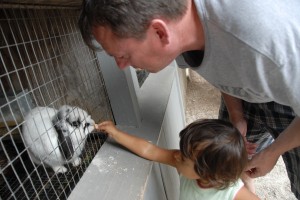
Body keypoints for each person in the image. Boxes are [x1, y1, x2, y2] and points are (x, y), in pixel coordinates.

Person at [78, 0, 300, 198]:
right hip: (253, 90)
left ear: (159, 32)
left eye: (123, 55)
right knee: (238, 157)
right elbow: (224, 66)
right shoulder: (182, 34)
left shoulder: (271, 41)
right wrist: (236, 114)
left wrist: (273, 152)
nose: (121, 66)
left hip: (290, 97)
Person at [94, 119, 259, 200]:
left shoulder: (232, 193)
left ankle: (248, 180)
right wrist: (116, 134)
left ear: (208, 174)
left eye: (185, 157)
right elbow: (150, 150)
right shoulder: (183, 165)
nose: (177, 155)